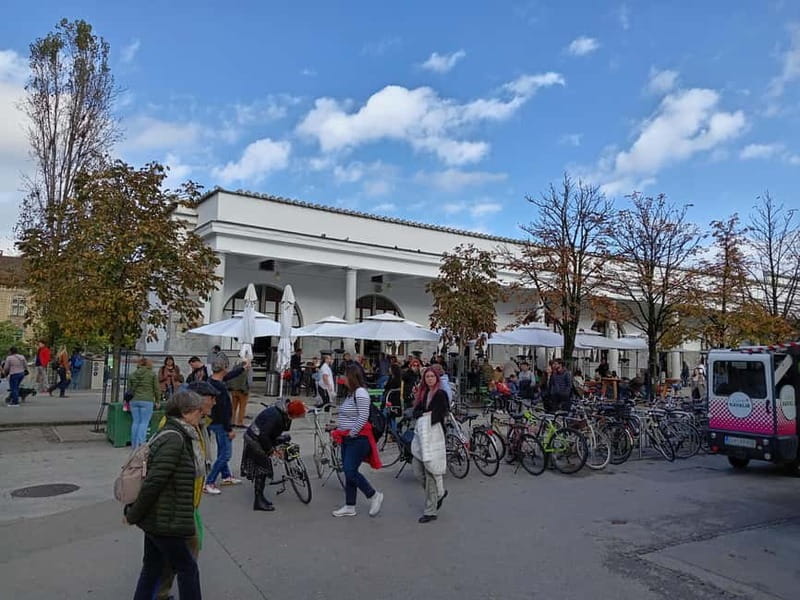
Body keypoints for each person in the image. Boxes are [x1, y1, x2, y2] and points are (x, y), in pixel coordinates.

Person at [125, 390, 205, 600]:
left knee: (152, 568)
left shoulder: (176, 433)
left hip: (159, 518)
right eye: (199, 411)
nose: (201, 415)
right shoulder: (175, 439)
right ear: (186, 412)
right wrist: (133, 514)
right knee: (188, 568)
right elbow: (154, 482)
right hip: (165, 519)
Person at [156, 382, 217, 600]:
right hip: (177, 505)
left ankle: (161, 593)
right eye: (211, 398)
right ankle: (161, 593)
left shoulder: (200, 424)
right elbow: (160, 475)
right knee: (185, 562)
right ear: (197, 400)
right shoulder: (176, 429)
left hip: (189, 503)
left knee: (177, 557)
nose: (214, 402)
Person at [330, 365, 384, 518]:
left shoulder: (360, 393)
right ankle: (350, 505)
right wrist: (338, 426)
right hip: (347, 436)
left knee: (350, 470)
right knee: (349, 471)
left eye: (345, 376)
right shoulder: (351, 394)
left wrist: (352, 432)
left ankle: (373, 495)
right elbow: (349, 416)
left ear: (352, 377)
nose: (343, 379)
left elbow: (363, 415)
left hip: (358, 438)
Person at [241, 398, 307, 511]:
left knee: (263, 468)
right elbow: (264, 435)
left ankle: (260, 497)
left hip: (259, 436)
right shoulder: (276, 416)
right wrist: (272, 451)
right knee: (263, 469)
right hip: (255, 438)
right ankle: (258, 501)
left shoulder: (283, 412)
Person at [204, 353, 247, 494]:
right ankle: (209, 482)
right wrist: (229, 429)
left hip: (213, 422)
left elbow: (228, 376)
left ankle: (226, 475)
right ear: (224, 368)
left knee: (222, 450)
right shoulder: (220, 388)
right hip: (221, 423)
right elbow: (224, 410)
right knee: (226, 454)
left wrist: (242, 368)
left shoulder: (212, 381)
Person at [411, 367, 449, 523]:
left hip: (433, 435)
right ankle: (438, 494)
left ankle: (430, 510)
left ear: (437, 378)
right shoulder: (423, 394)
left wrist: (426, 415)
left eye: (432, 376)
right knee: (417, 470)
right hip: (421, 435)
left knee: (431, 472)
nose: (430, 379)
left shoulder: (441, 394)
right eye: (427, 376)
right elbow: (416, 412)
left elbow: (440, 413)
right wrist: (424, 414)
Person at [128, 357, 161, 447]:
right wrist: (158, 400)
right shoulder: (152, 375)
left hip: (134, 400)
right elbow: (157, 389)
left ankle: (134, 444)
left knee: (135, 422)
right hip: (147, 400)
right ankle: (141, 443)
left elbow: (129, 389)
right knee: (144, 422)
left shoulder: (132, 374)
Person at [227, 360, 250, 428]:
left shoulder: (234, 369)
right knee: (242, 408)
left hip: (234, 390)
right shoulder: (245, 371)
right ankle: (240, 422)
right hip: (243, 391)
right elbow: (247, 382)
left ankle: (232, 421)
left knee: (233, 407)